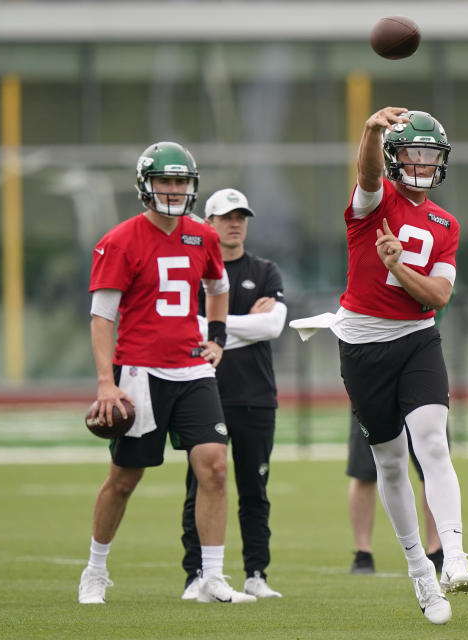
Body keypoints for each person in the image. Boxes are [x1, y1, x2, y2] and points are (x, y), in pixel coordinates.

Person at [291, 107, 468, 626]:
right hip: (362, 344)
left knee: (434, 441)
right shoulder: (374, 204)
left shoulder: (445, 223)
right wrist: (372, 130)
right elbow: (368, 176)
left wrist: (398, 266)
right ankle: (419, 569)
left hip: (417, 338)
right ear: (396, 157)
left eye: (429, 155)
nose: (420, 163)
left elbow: (438, 294)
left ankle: (455, 555)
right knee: (390, 462)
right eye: (411, 153)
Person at [77, 142, 255, 605]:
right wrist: (105, 381)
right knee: (124, 478)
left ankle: (212, 577)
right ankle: (95, 569)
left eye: (180, 181)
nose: (174, 190)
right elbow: (102, 317)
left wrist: (216, 336)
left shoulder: (203, 235)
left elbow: (219, 286)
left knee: (215, 467)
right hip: (140, 371)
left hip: (192, 368)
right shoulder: (119, 240)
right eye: (165, 181)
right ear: (145, 186)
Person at [180, 188, 286, 600]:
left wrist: (219, 327)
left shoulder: (264, 270)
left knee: (255, 490)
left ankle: (256, 574)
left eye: (241, 216)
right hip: (204, 393)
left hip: (257, 395)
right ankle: (195, 576)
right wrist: (239, 324)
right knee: (199, 485)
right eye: (226, 217)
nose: (235, 223)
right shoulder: (194, 274)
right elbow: (190, 326)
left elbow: (273, 327)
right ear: (209, 223)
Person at [347, 296, 453, 575]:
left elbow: (439, 295)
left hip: (417, 373)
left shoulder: (428, 265)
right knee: (365, 471)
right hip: (374, 374)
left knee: (434, 462)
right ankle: (363, 552)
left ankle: (439, 549)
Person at [347, 419, 442, 575]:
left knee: (434, 469)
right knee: (363, 472)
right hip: (372, 397)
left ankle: (436, 551)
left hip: (419, 397)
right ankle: (363, 552)